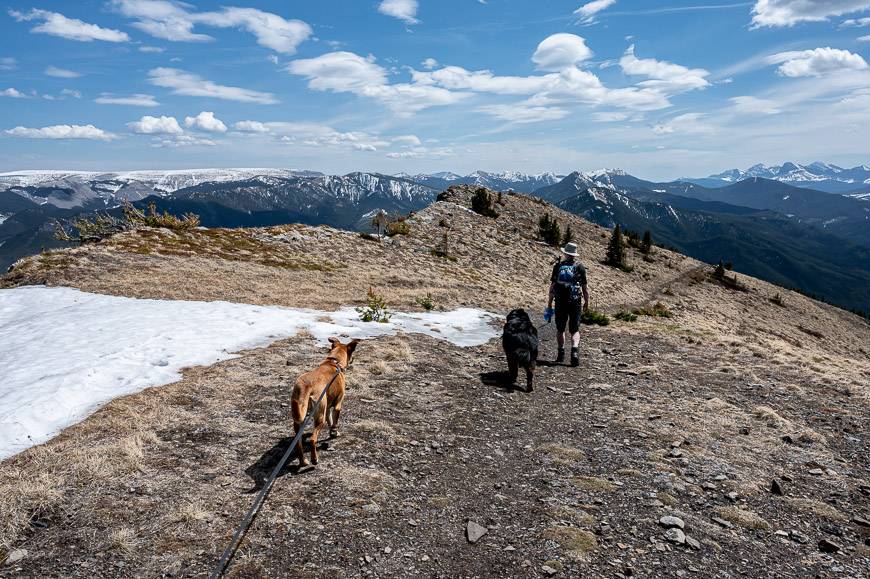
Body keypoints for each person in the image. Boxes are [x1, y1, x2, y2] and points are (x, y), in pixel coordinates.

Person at [546, 242, 589, 366]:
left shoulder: (558, 266)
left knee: (560, 328)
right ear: (574, 254)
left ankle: (561, 354)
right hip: (575, 301)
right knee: (574, 329)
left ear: (565, 253)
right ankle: (574, 351)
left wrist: (549, 303)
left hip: (560, 301)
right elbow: (585, 288)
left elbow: (552, 287)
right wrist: (586, 302)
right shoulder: (580, 267)